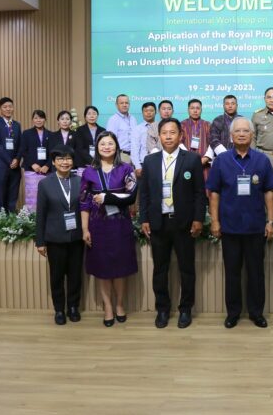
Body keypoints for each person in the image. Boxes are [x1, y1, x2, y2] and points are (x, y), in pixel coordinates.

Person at [207, 117, 273, 329]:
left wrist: (271, 221)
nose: (241, 134)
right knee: (232, 272)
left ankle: (257, 313)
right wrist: (215, 222)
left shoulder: (261, 160)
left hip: (256, 227)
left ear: (252, 135)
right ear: (230, 136)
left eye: (245, 131)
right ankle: (233, 313)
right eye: (237, 131)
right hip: (229, 227)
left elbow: (269, 192)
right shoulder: (222, 160)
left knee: (256, 273)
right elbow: (214, 194)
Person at [138, 118, 206, 329]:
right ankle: (163, 309)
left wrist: (197, 219)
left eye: (172, 132)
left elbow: (198, 194)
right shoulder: (150, 161)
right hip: (159, 223)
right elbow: (145, 194)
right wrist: (144, 219)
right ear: (159, 136)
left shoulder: (192, 159)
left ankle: (185, 309)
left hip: (184, 223)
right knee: (160, 269)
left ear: (181, 135)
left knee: (186, 269)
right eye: (164, 133)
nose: (168, 136)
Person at [80, 131, 138, 327]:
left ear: (116, 146)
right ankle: (107, 307)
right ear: (97, 147)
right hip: (98, 226)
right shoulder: (89, 171)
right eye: (102, 143)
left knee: (120, 268)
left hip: (120, 224)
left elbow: (131, 195)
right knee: (102, 269)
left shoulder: (126, 168)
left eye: (110, 143)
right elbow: (83, 203)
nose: (106, 147)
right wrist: (85, 229)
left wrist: (108, 198)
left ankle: (120, 304)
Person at [34, 145, 83, 326]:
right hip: (54, 238)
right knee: (56, 276)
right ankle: (59, 310)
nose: (65, 162)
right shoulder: (45, 184)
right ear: (54, 162)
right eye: (60, 159)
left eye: (68, 158)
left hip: (76, 237)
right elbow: (41, 214)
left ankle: (73, 307)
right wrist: (40, 241)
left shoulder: (80, 181)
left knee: (75, 275)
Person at [0, 97, 22, 212]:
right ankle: (1, 222)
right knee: (0, 196)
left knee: (13, 196)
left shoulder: (17, 125)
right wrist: (10, 161)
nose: (8, 109)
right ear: (0, 109)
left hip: (15, 166)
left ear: (13, 108)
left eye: (10, 106)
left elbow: (20, 145)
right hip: (0, 166)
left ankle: (12, 221)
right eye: (5, 107)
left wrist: (17, 159)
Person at [19, 109, 51, 211]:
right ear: (32, 120)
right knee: (32, 196)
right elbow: (23, 150)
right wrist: (32, 164)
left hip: (46, 170)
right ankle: (32, 219)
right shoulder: (26, 133)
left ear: (45, 119)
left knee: (46, 195)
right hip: (31, 169)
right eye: (36, 118)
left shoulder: (50, 134)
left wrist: (47, 165)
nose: (38, 120)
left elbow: (53, 153)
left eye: (41, 118)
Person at [73, 106, 106, 176]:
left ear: (97, 116)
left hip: (99, 163)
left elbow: (104, 147)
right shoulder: (80, 130)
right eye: (89, 114)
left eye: (94, 113)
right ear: (85, 117)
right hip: (83, 164)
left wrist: (98, 161)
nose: (92, 116)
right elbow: (80, 148)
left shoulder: (102, 130)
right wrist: (93, 161)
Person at [181, 98, 211, 172]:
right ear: (188, 110)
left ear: (201, 110)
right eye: (192, 108)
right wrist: (187, 157)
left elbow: (212, 143)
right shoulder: (182, 125)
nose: (195, 111)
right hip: (186, 162)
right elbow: (178, 143)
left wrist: (206, 158)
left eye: (198, 108)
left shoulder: (207, 124)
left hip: (204, 163)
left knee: (205, 181)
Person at [104, 94, 136, 164]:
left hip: (134, 156)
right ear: (116, 105)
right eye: (122, 103)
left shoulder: (133, 118)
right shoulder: (113, 120)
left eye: (126, 103)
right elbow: (110, 140)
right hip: (121, 155)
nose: (124, 105)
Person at [131, 101, 156, 177]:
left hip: (158, 161)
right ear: (142, 112)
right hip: (143, 163)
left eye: (151, 111)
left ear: (156, 112)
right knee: (143, 188)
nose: (148, 113)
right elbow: (134, 148)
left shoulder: (160, 127)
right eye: (146, 111)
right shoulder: (137, 129)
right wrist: (138, 166)